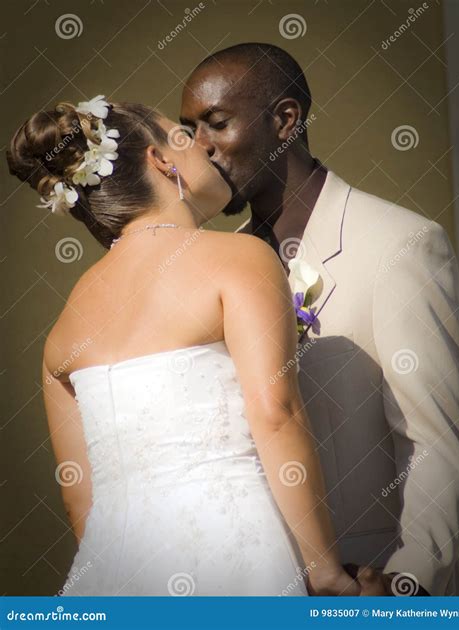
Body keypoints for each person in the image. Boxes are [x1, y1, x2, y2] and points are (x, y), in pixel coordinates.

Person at [6, 96, 361, 596]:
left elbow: (78, 497)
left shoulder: (64, 329)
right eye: (183, 135)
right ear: (161, 160)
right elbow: (275, 413)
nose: (205, 148)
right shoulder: (238, 258)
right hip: (239, 558)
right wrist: (324, 569)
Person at [180, 43, 459, 596]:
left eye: (215, 124)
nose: (199, 150)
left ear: (285, 120)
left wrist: (410, 580)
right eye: (188, 131)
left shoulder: (401, 244)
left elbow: (436, 443)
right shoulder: (221, 270)